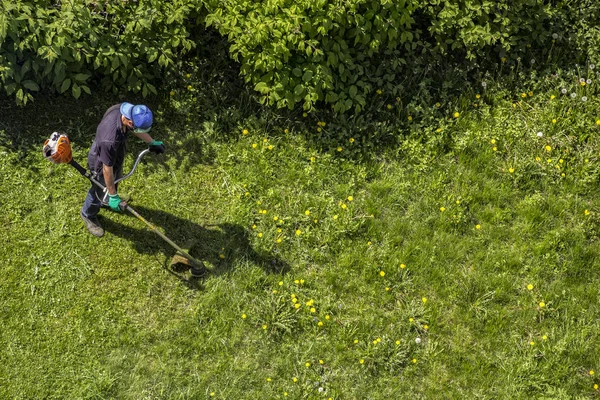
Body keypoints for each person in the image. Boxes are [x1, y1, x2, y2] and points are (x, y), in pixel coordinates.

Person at [80, 102, 165, 237]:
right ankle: (88, 214)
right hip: (101, 161)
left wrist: (151, 142)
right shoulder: (110, 140)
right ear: (130, 122)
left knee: (116, 176)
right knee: (99, 187)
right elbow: (107, 169)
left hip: (114, 152)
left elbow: (133, 128)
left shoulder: (126, 111)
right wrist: (114, 196)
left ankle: (107, 199)